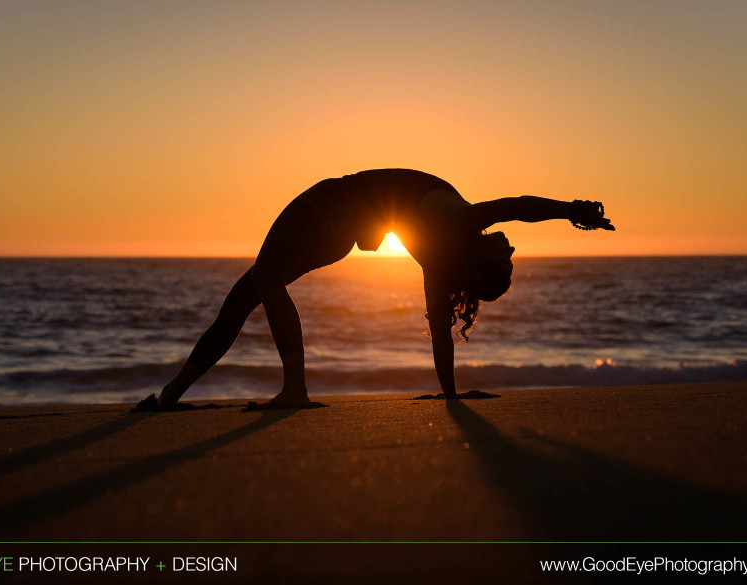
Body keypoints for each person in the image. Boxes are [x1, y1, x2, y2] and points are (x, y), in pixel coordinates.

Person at [134, 168, 613, 411]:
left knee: (260, 283)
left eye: (506, 260)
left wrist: (572, 209)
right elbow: (441, 336)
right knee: (249, 294)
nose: (511, 250)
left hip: (329, 207)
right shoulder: (438, 263)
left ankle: (293, 391)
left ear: (482, 264)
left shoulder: (459, 225)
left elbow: (517, 204)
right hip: (342, 234)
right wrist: (448, 396)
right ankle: (171, 395)